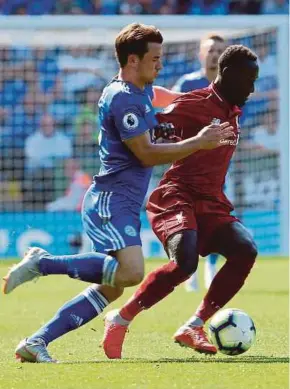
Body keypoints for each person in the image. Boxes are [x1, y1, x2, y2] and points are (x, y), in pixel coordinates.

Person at [2, 23, 233, 363]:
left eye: (161, 57)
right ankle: (43, 262)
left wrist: (213, 105)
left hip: (123, 200)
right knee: (131, 272)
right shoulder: (123, 97)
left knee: (112, 285)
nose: (160, 64)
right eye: (154, 58)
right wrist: (198, 142)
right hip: (111, 199)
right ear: (132, 60)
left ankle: (37, 342)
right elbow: (146, 154)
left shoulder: (141, 89)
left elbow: (175, 98)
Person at [102, 44, 259, 359]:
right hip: (177, 195)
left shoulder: (233, 108)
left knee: (245, 250)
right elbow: (149, 132)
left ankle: (194, 325)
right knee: (185, 261)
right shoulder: (195, 105)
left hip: (211, 200)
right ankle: (120, 318)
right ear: (226, 75)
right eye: (248, 80)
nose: (253, 89)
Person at [174, 33, 227, 292]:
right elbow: (168, 116)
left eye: (220, 50)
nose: (215, 54)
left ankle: (210, 266)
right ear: (200, 55)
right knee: (187, 218)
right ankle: (188, 268)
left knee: (214, 218)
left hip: (216, 165)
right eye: (211, 50)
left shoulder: (231, 87)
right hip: (186, 163)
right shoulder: (187, 83)